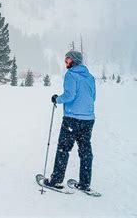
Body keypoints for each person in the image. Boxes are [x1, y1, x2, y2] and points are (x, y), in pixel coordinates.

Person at [43, 50, 96, 192]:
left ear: (75, 61)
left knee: (63, 148)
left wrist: (57, 99)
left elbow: (69, 96)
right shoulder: (90, 77)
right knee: (85, 150)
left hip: (72, 119)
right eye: (65, 60)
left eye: (68, 60)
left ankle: (56, 180)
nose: (66, 62)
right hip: (88, 119)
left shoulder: (71, 75)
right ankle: (85, 183)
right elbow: (93, 97)